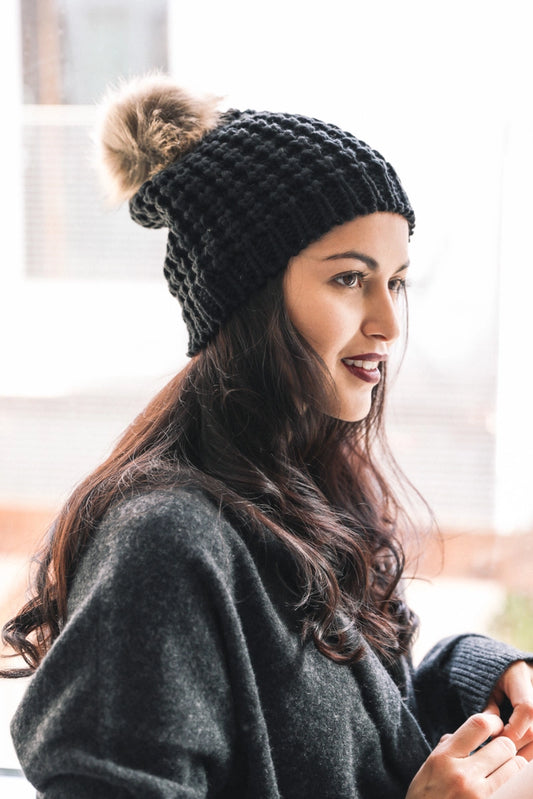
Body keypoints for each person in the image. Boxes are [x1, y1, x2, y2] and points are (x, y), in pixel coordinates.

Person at [2, 74, 533, 799]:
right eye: (349, 279)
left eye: (396, 282)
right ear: (250, 296)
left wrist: (484, 675)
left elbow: (364, 725)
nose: (387, 323)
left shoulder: (304, 484)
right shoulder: (164, 545)